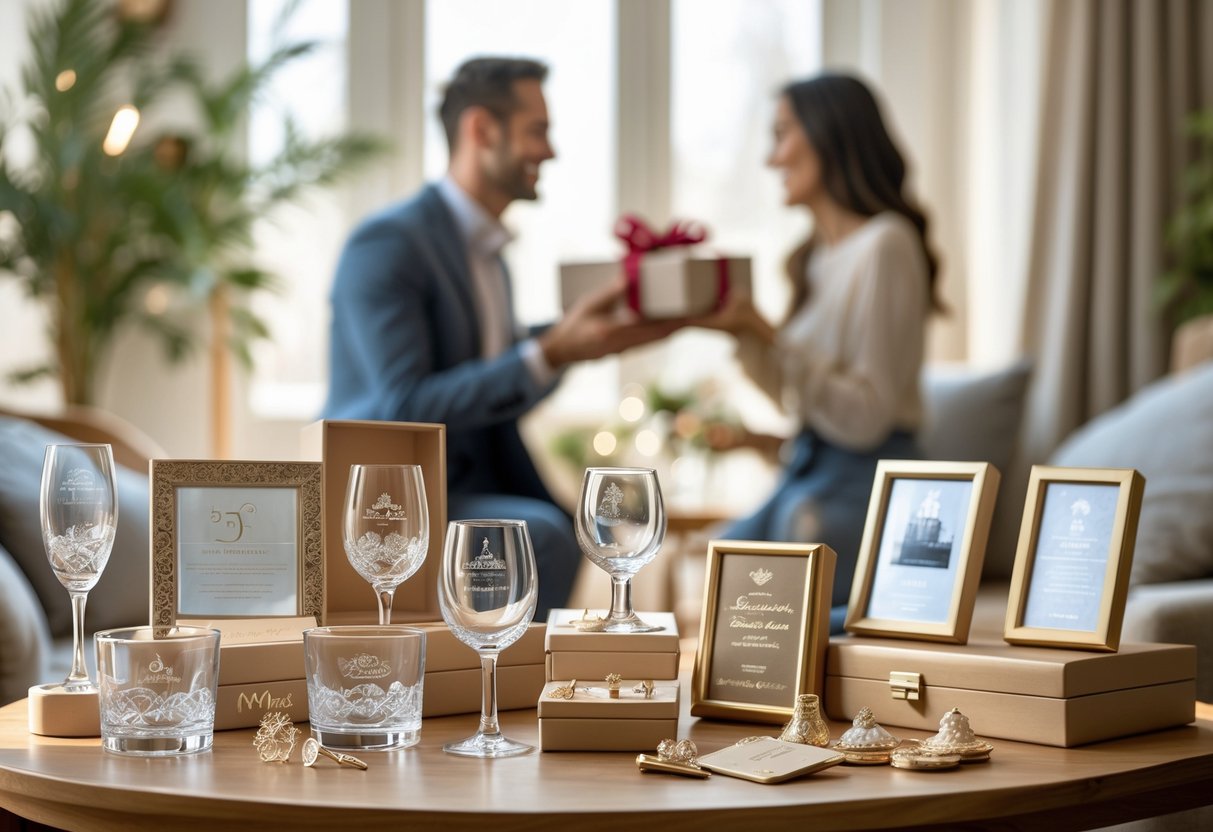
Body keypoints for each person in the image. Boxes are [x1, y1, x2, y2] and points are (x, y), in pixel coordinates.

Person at [323, 57, 681, 618]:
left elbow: (495, 384)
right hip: (398, 500)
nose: (551, 151)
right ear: (481, 130)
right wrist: (551, 350)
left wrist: (578, 347)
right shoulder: (388, 244)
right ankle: (491, 687)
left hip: (472, 484)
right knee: (540, 535)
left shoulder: (490, 258)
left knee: (582, 524)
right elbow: (404, 407)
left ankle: (507, 686)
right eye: (537, 131)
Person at [695, 73, 941, 630]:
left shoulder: (887, 244)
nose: (770, 157)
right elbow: (793, 397)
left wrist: (770, 331)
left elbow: (865, 416)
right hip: (810, 464)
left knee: (792, 559)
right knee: (722, 559)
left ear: (828, 136)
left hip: (872, 473)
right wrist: (745, 334)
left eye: (782, 134)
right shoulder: (814, 260)